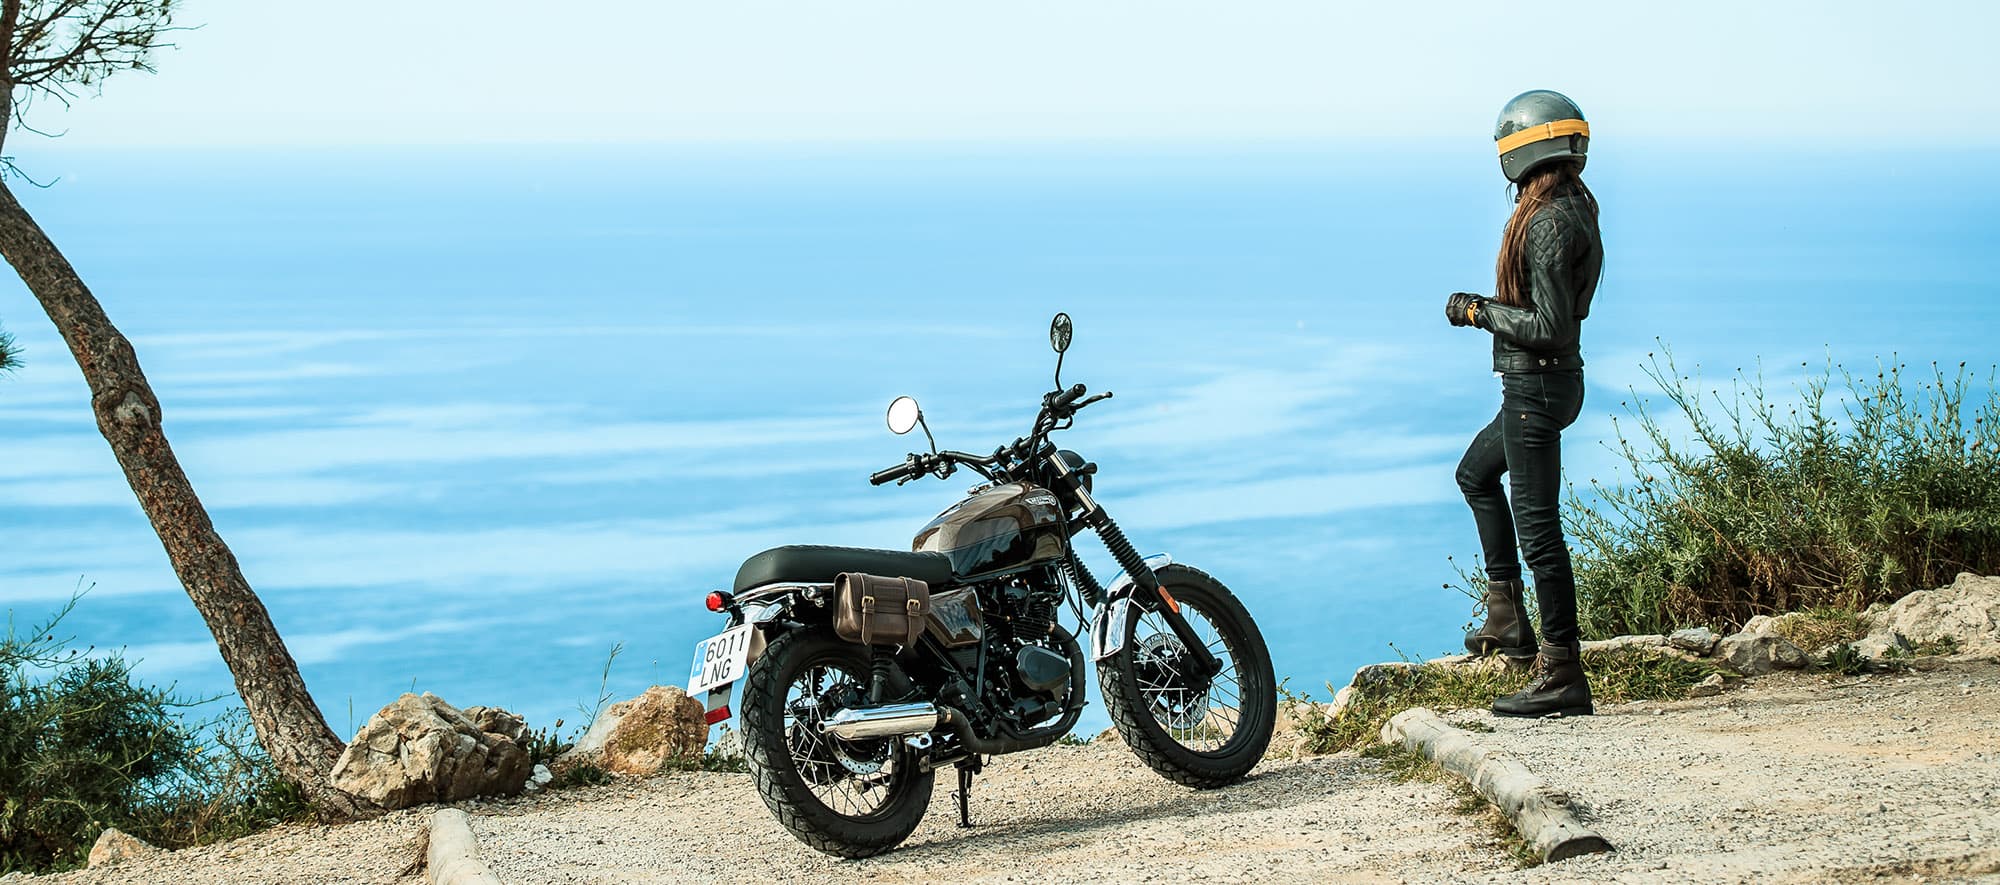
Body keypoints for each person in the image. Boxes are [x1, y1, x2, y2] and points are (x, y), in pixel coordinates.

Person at [1446, 90, 1604, 718]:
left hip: (1536, 387)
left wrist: (1478, 311)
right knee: (1475, 474)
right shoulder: (1570, 207)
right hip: (1546, 386)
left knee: (1539, 531)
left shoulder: (1546, 220)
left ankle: (1563, 671)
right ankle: (1507, 616)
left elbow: (1548, 326)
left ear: (1521, 149)